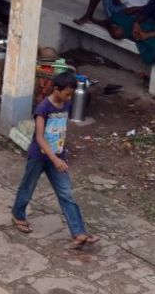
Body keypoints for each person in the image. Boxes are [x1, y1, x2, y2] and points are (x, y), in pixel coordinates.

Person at [12, 71, 96, 250]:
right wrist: (54, 159)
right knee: (28, 187)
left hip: (58, 156)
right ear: (56, 90)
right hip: (40, 157)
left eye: (71, 94)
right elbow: (40, 137)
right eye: (66, 93)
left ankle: (79, 232)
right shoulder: (43, 108)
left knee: (66, 193)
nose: (68, 97)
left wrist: (59, 156)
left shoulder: (66, 104)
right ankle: (18, 215)